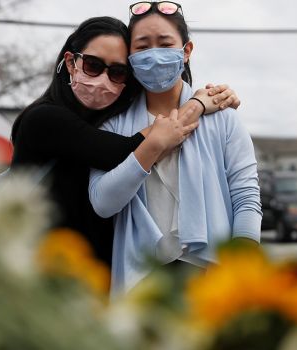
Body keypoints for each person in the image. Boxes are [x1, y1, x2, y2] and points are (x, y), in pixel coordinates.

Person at [10, 16, 240, 268]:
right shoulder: (43, 119)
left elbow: (245, 191)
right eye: (93, 65)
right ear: (70, 62)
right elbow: (122, 153)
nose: (103, 79)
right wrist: (196, 106)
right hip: (43, 271)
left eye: (118, 72)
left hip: (99, 278)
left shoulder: (111, 120)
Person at [88, 1, 262, 297]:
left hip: (211, 276)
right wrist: (154, 145)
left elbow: (246, 197)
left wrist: (240, 269)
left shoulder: (223, 118)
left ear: (187, 50)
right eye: (142, 47)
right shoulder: (112, 125)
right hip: (140, 279)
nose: (153, 54)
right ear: (129, 56)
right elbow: (103, 202)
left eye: (165, 43)